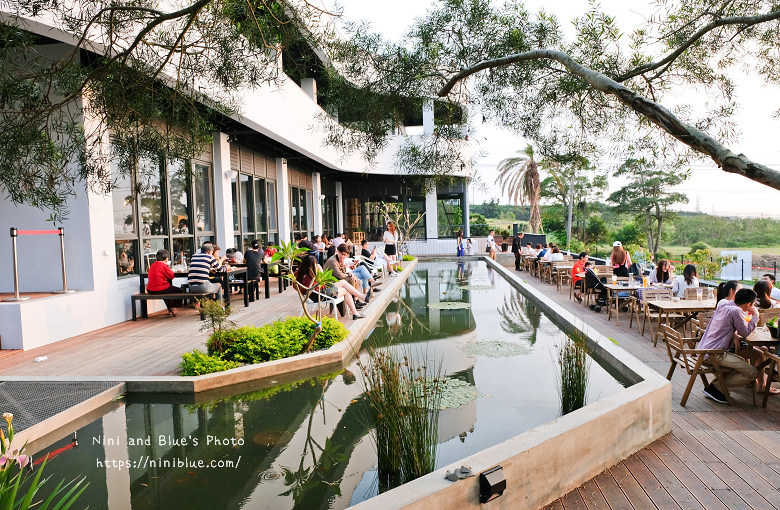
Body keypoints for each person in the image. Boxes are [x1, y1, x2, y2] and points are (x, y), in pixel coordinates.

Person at [697, 288, 760, 403]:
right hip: (714, 354)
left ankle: (715, 388)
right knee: (752, 372)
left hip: (703, 350)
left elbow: (731, 325)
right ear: (749, 304)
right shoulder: (736, 311)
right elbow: (745, 332)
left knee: (740, 361)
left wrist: (734, 333)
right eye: (753, 304)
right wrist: (756, 316)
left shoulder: (722, 304)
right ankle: (715, 388)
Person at [295, 255, 364, 319]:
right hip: (320, 295)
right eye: (315, 264)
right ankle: (355, 311)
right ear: (312, 266)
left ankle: (361, 297)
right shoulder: (309, 276)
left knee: (343, 282)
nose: (317, 265)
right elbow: (320, 285)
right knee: (345, 290)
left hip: (318, 292)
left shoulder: (300, 273)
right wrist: (321, 271)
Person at [324, 245, 370, 311]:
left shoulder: (340, 259)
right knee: (351, 279)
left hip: (337, 280)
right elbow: (339, 275)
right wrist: (348, 274)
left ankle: (356, 300)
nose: (344, 257)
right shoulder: (332, 261)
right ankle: (355, 301)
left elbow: (343, 272)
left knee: (354, 278)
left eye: (345, 255)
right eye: (343, 254)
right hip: (330, 283)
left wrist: (349, 273)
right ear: (338, 252)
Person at [146, 249, 182, 316]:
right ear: (166, 259)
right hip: (159, 289)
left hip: (150, 289)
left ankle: (169, 309)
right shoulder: (164, 266)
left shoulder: (153, 265)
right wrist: (170, 270)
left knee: (167, 291)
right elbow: (171, 276)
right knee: (179, 290)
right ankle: (173, 308)